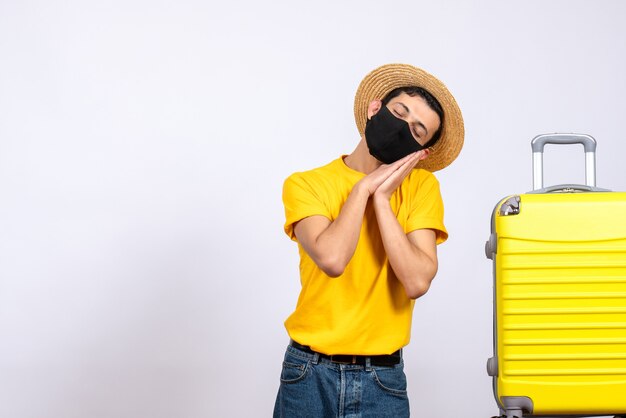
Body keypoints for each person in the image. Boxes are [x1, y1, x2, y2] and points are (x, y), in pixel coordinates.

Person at [273, 63, 465, 418]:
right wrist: (364, 188)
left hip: (383, 379)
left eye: (417, 130)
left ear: (421, 152)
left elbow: (417, 280)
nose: (404, 127)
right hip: (308, 372)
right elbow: (332, 259)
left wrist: (382, 200)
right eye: (399, 113)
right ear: (374, 109)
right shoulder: (305, 184)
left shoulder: (421, 188)